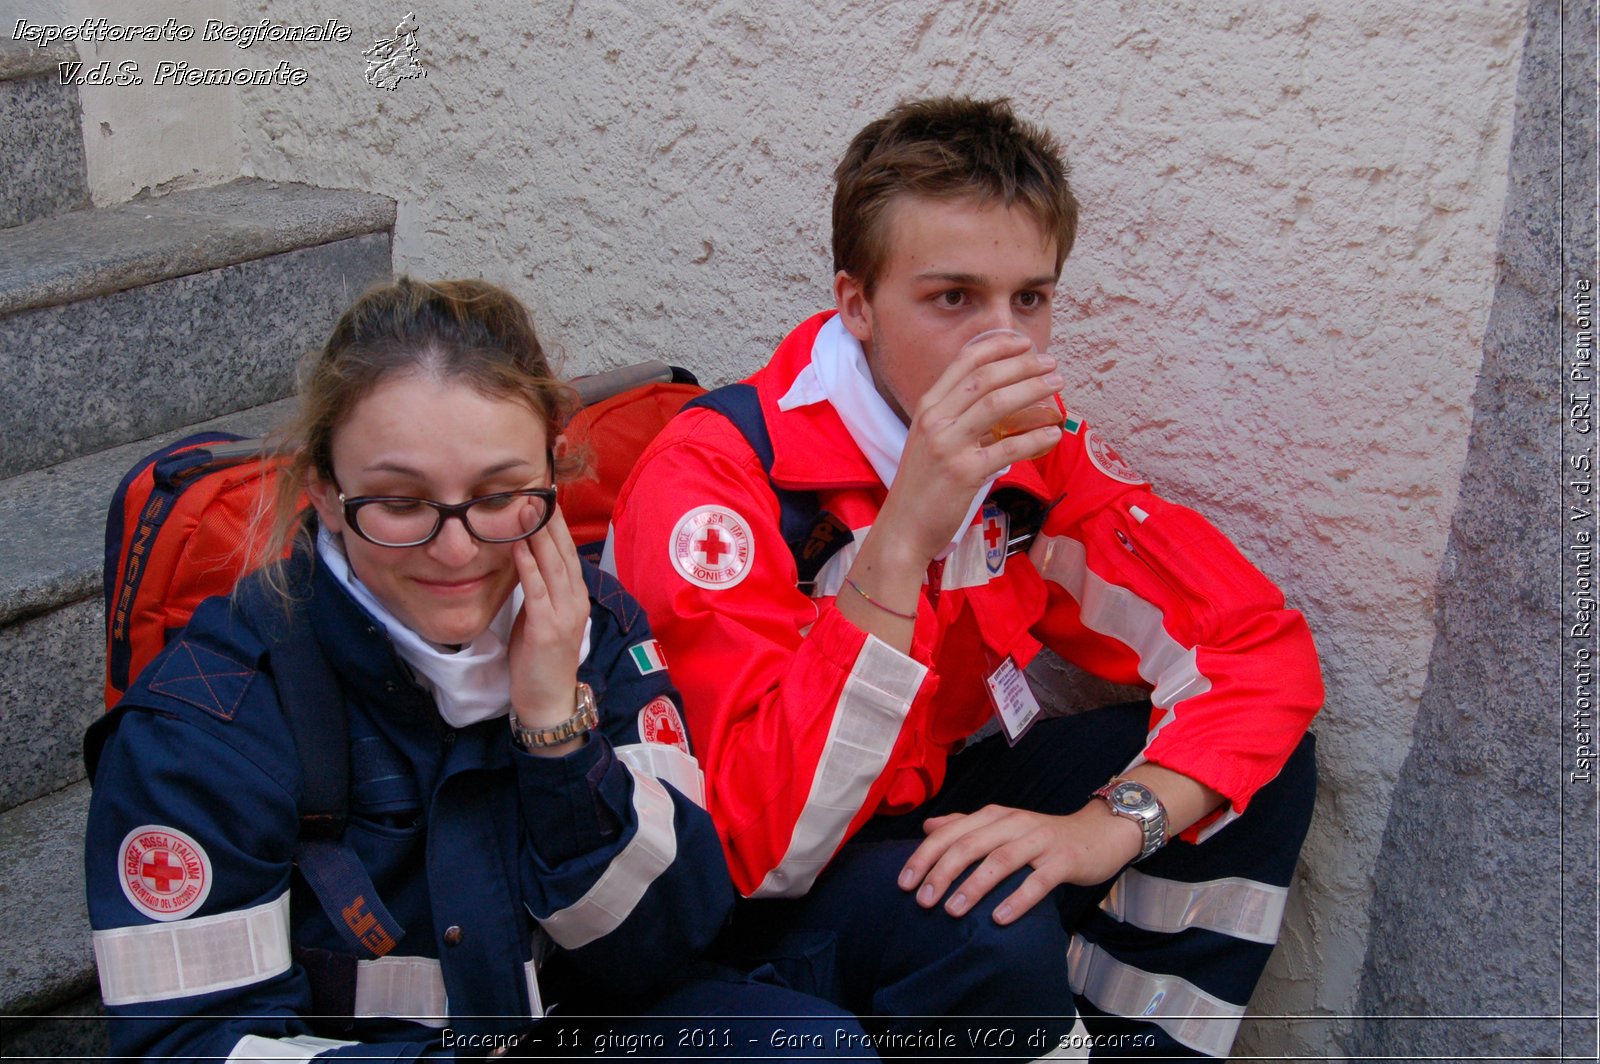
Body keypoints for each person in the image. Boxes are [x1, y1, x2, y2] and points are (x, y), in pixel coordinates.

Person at [606, 97, 1321, 1059]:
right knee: (990, 924)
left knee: (1249, 771)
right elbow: (754, 844)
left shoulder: (1026, 448)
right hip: (741, 889)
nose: (1005, 346)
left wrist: (1108, 828)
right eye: (954, 299)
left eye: (1029, 298)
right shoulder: (717, 476)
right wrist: (905, 534)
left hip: (915, 795)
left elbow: (1250, 646)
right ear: (856, 303)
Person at [83, 278, 872, 1061]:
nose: (456, 550)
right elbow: (186, 1043)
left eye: (499, 495)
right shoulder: (208, 727)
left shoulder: (597, 628)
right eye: (398, 503)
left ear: (554, 476)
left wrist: (555, 731)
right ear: (325, 492)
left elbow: (668, 943)